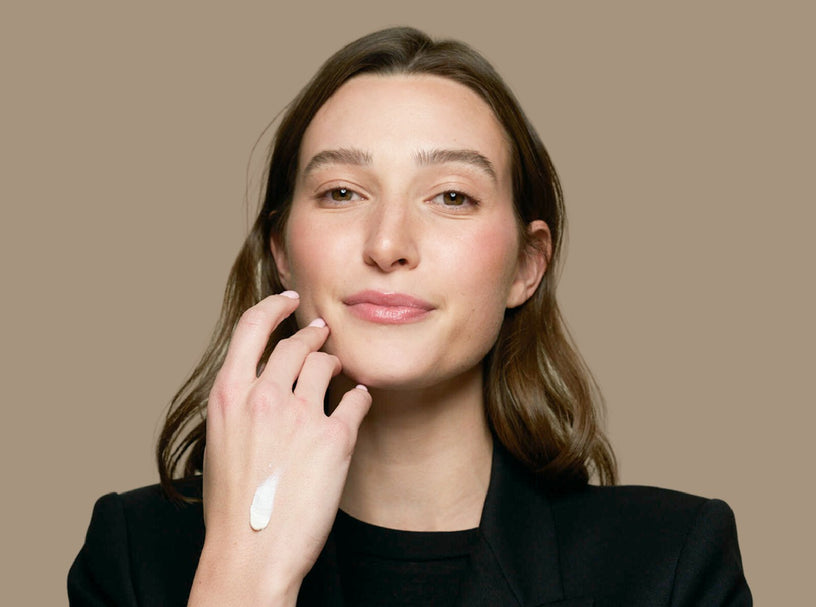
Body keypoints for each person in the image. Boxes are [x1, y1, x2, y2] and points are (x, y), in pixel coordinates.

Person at [68, 27, 751, 606]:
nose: (388, 245)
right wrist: (244, 574)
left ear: (526, 264)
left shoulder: (668, 563)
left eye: (451, 196)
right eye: (341, 191)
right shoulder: (135, 552)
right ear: (280, 250)